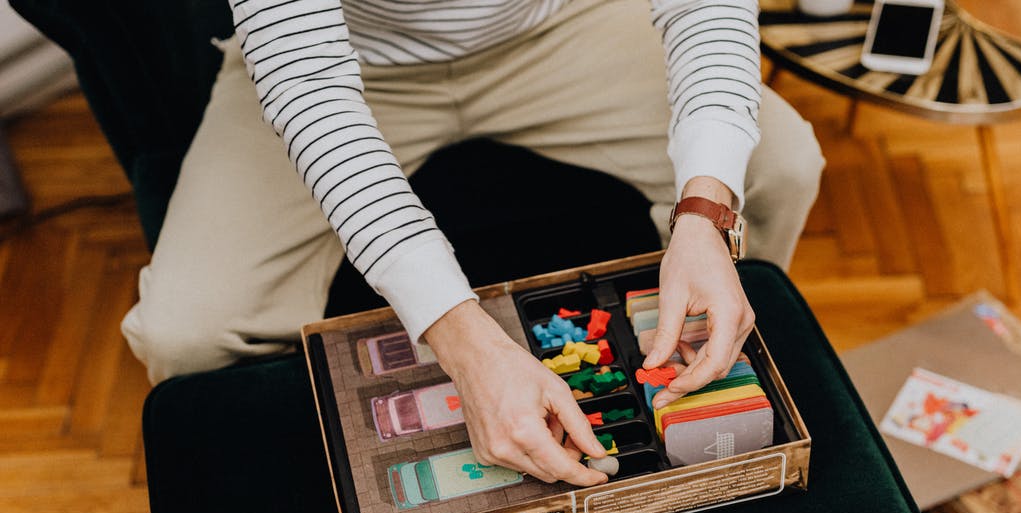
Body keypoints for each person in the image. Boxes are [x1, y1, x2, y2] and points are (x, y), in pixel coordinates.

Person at [120, 0, 824, 488]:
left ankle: (722, 358)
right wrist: (464, 340)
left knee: (783, 164)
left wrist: (704, 213)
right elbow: (312, 92)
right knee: (186, 333)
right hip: (346, 63)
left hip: (564, 26)